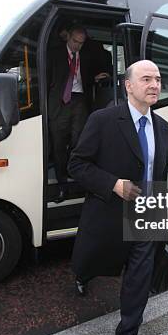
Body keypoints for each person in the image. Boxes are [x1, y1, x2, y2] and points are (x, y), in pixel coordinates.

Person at [68, 60, 168, 335]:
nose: (154, 85)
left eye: (158, 79)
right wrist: (113, 184)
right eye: (146, 79)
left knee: (138, 279)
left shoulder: (164, 128)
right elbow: (76, 165)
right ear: (128, 85)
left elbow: (159, 175)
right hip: (110, 214)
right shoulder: (103, 120)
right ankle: (83, 276)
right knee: (92, 261)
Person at [48, 24, 109, 202]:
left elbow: (88, 74)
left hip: (80, 100)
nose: (77, 46)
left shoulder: (87, 55)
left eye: (81, 43)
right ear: (68, 37)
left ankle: (76, 176)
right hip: (59, 103)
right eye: (75, 41)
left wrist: (96, 78)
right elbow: (48, 80)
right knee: (58, 146)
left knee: (79, 141)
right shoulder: (55, 54)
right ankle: (62, 187)